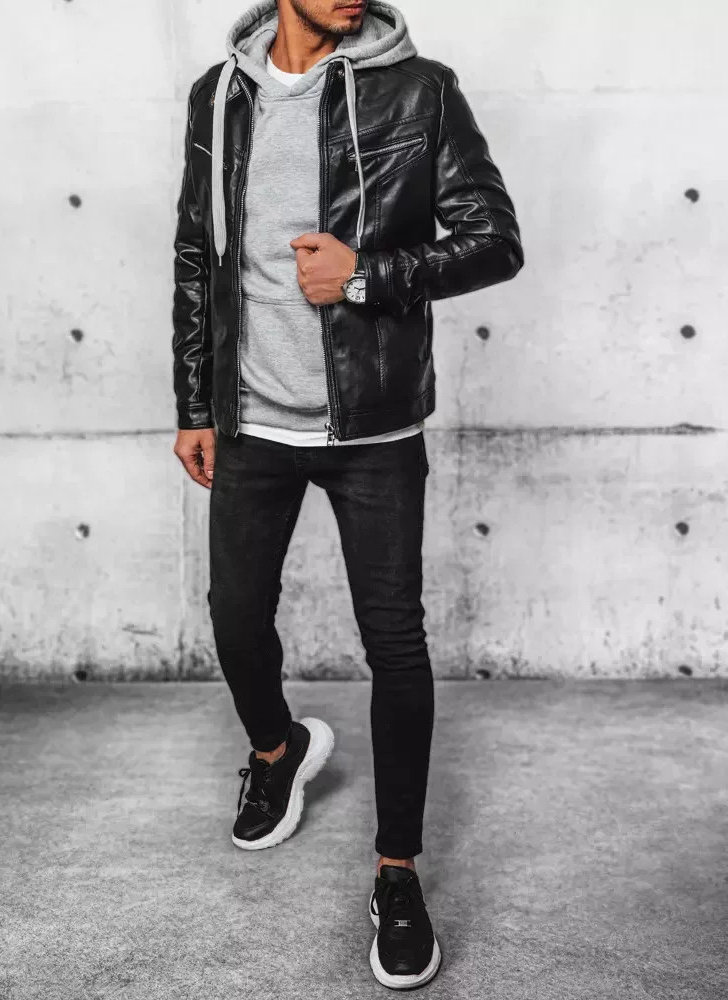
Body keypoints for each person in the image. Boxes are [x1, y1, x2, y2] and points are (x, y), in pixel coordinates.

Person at [171, 0, 523, 988]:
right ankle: (276, 751)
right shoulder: (220, 96)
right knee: (235, 618)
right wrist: (194, 403)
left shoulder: (420, 90)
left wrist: (367, 274)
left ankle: (397, 870)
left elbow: (495, 238)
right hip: (250, 420)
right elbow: (196, 253)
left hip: (373, 426)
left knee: (395, 643)